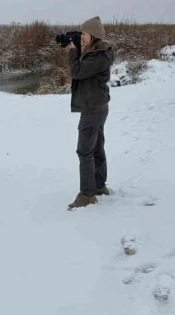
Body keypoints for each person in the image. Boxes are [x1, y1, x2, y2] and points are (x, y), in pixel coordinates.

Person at [66, 16, 115, 210]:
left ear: (93, 35)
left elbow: (77, 72)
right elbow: (83, 69)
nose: (82, 37)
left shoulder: (100, 56)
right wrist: (77, 48)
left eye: (84, 34)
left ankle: (87, 195)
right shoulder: (97, 52)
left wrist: (71, 51)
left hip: (93, 108)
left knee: (85, 150)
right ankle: (99, 185)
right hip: (96, 105)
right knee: (96, 147)